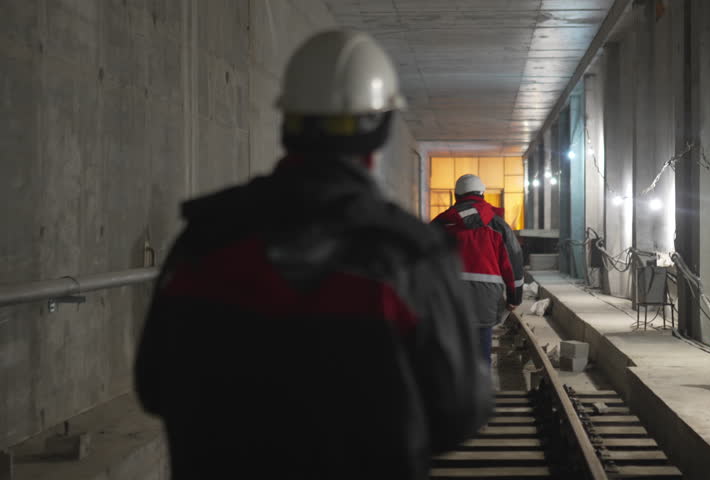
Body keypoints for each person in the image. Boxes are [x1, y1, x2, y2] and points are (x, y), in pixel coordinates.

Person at [134, 29, 492, 479]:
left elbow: (153, 386)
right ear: (380, 130)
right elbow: (454, 414)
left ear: (287, 124)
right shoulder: (409, 257)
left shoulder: (204, 242)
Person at [432, 174, 525, 364]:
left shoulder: (440, 224)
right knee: (482, 349)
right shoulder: (498, 225)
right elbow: (514, 261)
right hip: (486, 298)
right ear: (482, 194)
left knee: (451, 351)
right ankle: (479, 388)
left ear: (456, 195)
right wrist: (515, 298)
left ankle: (454, 389)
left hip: (449, 298)